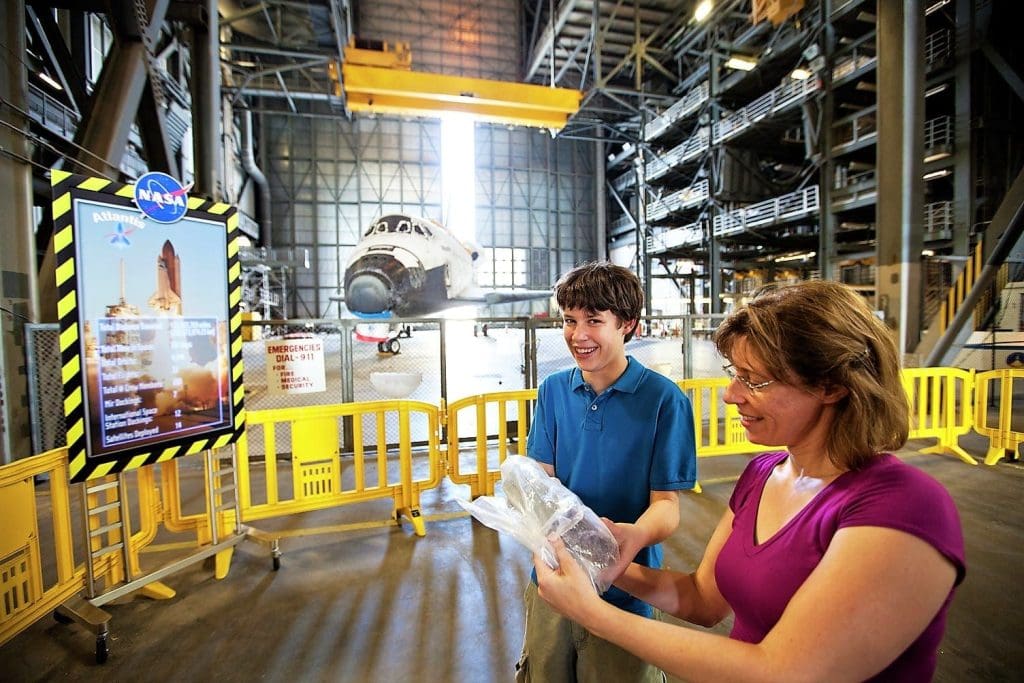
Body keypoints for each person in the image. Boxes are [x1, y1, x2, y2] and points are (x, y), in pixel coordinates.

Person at [532, 279, 966, 682]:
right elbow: (703, 601)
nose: (731, 394)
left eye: (755, 381)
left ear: (832, 386)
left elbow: (784, 670)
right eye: (734, 374)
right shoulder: (764, 474)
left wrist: (594, 614)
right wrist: (607, 563)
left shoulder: (905, 506)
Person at [519, 261, 698, 682]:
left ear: (627, 325)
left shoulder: (664, 401)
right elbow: (541, 480)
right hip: (552, 579)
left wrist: (633, 536)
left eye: (594, 321)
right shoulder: (553, 390)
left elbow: (667, 505)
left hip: (625, 586)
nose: (578, 335)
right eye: (570, 320)